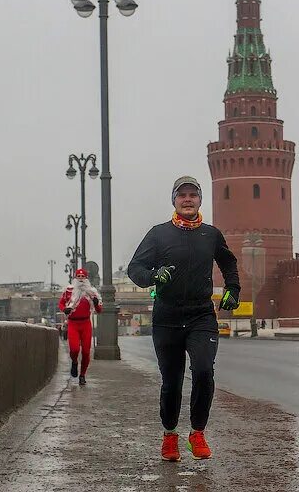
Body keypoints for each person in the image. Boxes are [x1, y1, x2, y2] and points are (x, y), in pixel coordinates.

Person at [128, 175, 241, 461]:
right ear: (174, 201)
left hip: (201, 315)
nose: (188, 199)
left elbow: (228, 261)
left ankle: (198, 433)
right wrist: (154, 276)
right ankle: (169, 436)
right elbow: (135, 268)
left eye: (193, 195)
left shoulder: (211, 234)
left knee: (203, 371)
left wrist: (233, 289)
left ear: (200, 200)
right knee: (172, 381)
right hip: (167, 317)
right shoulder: (158, 234)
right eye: (182, 195)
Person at [58, 268, 102, 386]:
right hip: (73, 323)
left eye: (83, 277)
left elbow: (99, 310)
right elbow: (61, 303)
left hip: (86, 323)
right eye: (79, 277)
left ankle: (82, 375)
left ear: (86, 279)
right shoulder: (68, 291)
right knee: (74, 349)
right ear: (75, 278)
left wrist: (97, 304)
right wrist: (64, 309)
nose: (81, 279)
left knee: (86, 352)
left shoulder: (92, 293)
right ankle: (74, 362)